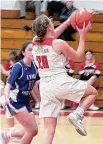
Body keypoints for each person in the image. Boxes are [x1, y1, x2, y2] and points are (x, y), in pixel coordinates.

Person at [32, 14, 98, 143]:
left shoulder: (35, 42)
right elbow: (79, 57)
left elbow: (52, 35)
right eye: (51, 23)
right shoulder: (59, 43)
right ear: (49, 28)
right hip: (60, 81)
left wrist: (68, 22)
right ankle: (77, 114)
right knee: (92, 92)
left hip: (45, 87)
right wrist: (83, 36)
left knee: (48, 130)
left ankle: (76, 114)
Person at [0, 41, 39, 144]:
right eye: (30, 50)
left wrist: (40, 101)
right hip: (15, 101)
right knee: (31, 130)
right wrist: (7, 98)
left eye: (34, 49)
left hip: (25, 101)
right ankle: (7, 134)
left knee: (34, 131)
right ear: (23, 53)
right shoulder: (18, 66)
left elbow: (34, 86)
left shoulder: (35, 66)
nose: (32, 52)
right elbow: (8, 85)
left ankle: (7, 134)